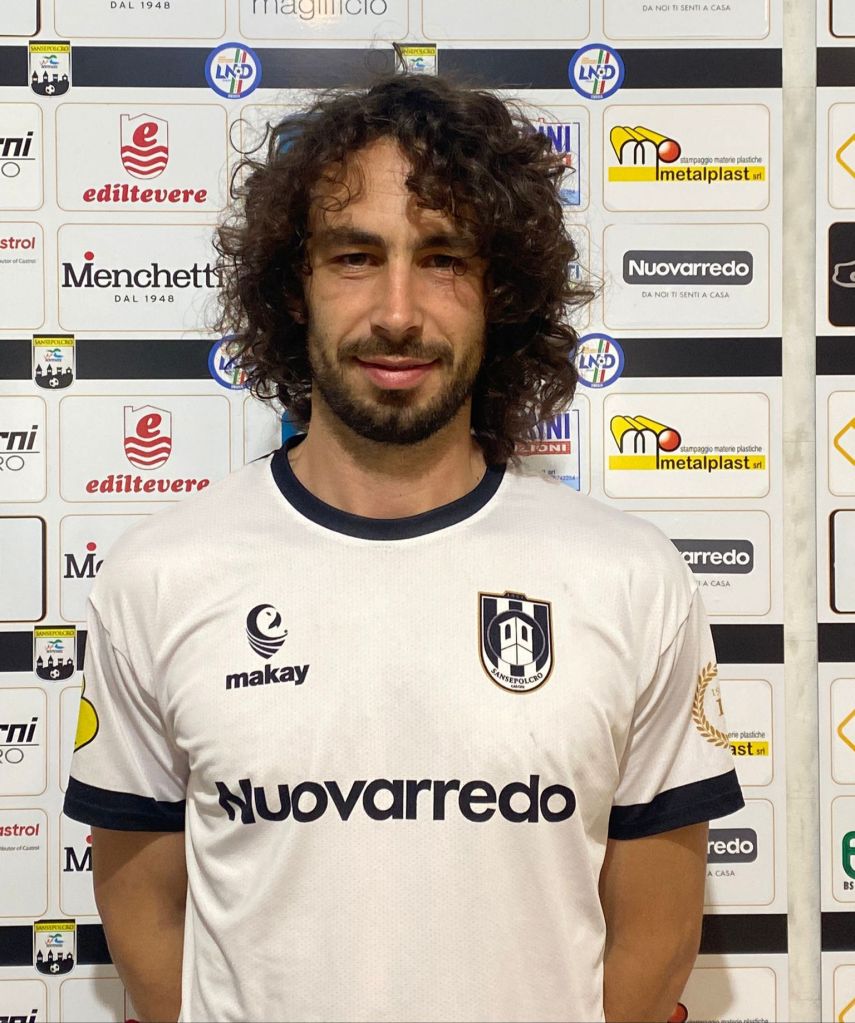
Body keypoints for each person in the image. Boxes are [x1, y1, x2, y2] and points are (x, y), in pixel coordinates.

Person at [64, 73, 744, 1023]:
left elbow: (655, 935)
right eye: (354, 255)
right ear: (292, 288)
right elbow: (145, 914)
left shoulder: (628, 577)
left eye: (443, 259)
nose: (396, 312)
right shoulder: (161, 575)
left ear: (500, 293)